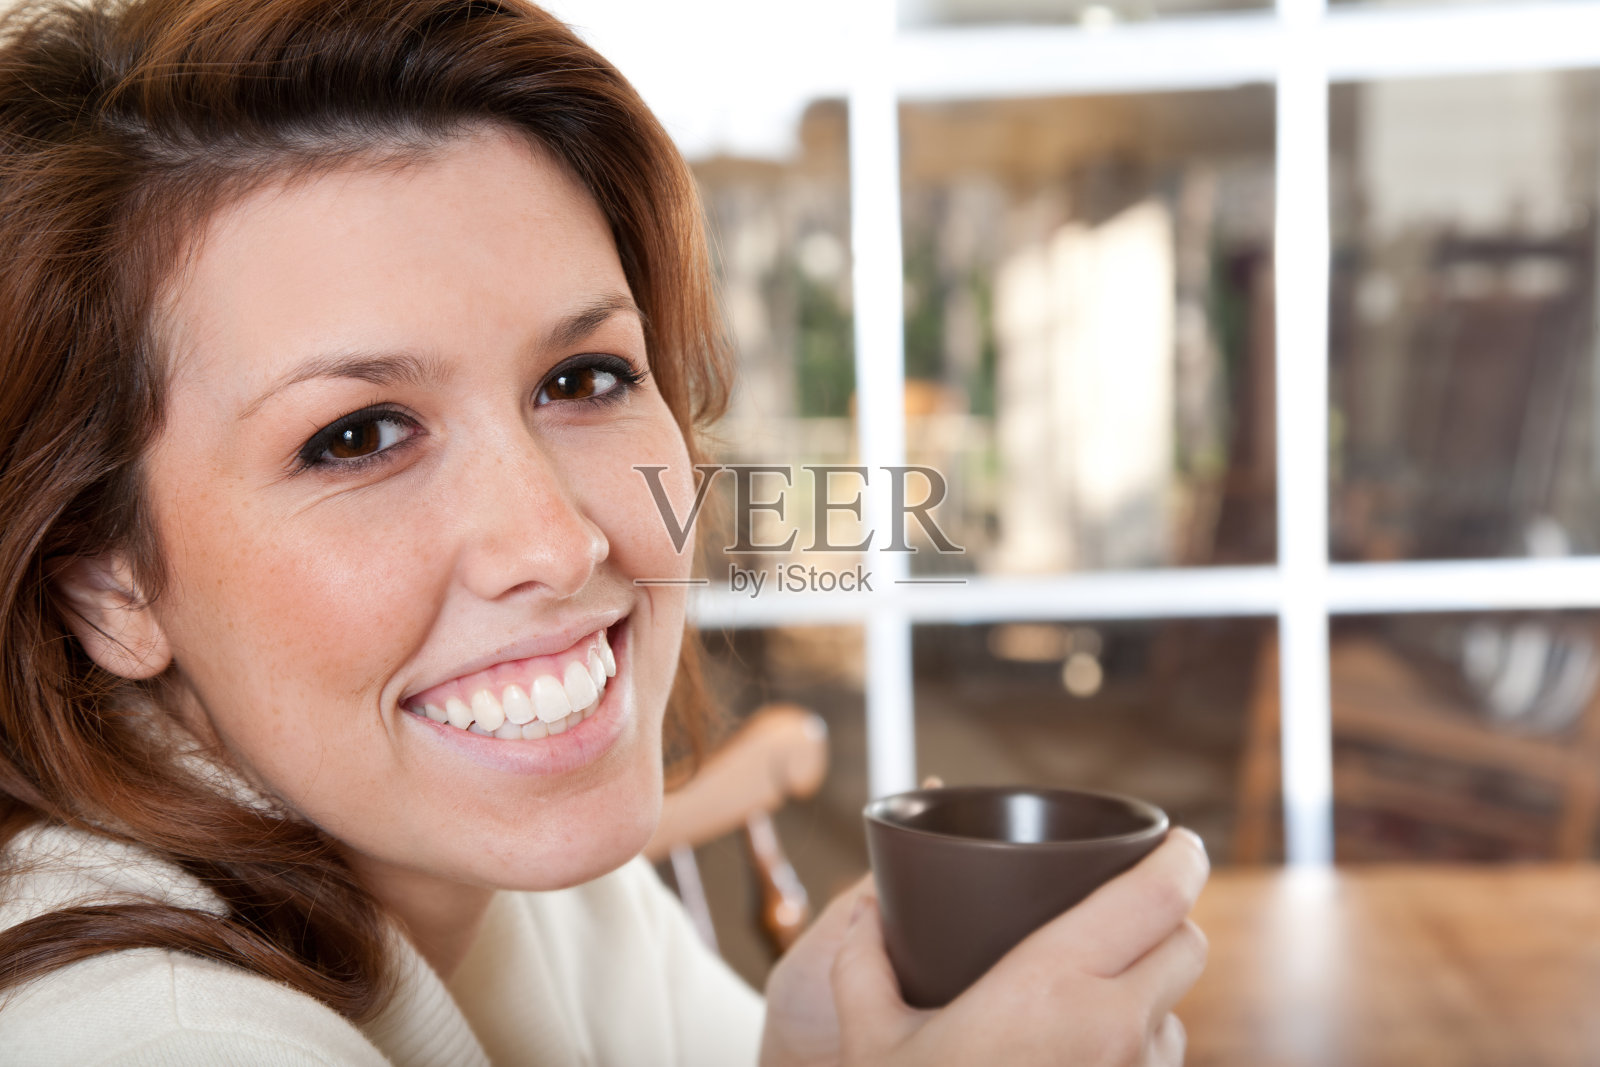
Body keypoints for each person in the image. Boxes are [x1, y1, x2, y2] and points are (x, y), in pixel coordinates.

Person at [0, 0, 1210, 1063]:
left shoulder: (528, 884)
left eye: (582, 379)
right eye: (359, 435)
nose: (559, 539)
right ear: (107, 585)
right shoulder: (150, 1035)